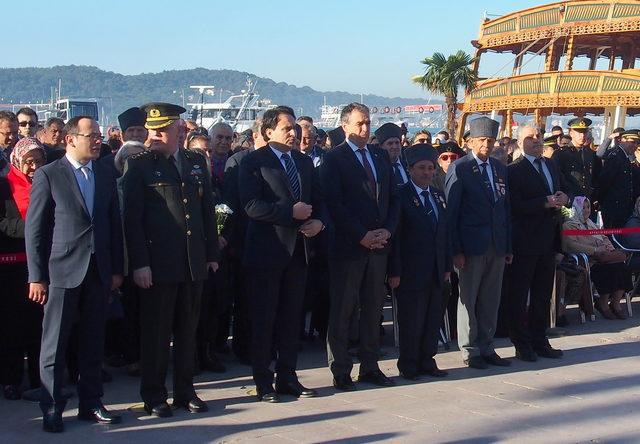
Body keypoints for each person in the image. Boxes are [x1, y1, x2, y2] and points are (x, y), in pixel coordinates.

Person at [25, 116, 124, 432]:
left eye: (98, 135)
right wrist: (36, 275)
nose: (97, 140)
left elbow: (113, 225)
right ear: (70, 139)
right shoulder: (49, 175)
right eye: (90, 136)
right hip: (62, 271)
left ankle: (91, 402)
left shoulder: (105, 174)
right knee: (55, 342)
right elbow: (36, 230)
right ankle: (52, 406)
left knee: (94, 341)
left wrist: (116, 269)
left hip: (98, 271)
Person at [123, 102, 219, 418]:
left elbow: (206, 212)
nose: (154, 136)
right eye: (152, 131)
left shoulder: (194, 161)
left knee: (188, 331)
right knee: (157, 333)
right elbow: (132, 220)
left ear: (179, 129)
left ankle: (185, 391)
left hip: (192, 262)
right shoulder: (139, 165)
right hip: (158, 265)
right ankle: (154, 395)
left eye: (162, 131)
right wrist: (139, 263)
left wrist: (210, 255)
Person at [239, 106, 327, 402]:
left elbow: (319, 200)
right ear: (268, 131)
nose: (294, 133)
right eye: (287, 128)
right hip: (267, 252)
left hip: (299, 253)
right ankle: (263, 381)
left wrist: (319, 221)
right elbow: (251, 206)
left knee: (292, 318)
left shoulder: (303, 163)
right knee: (265, 319)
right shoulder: (254, 162)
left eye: (295, 129)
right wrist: (289, 212)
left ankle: (288, 376)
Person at [321, 103, 399, 391]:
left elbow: (393, 198)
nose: (365, 129)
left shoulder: (380, 156)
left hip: (379, 245)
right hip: (348, 246)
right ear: (345, 127)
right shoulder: (334, 158)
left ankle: (370, 365)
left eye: (368, 123)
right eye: (359, 124)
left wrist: (387, 230)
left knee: (373, 308)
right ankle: (341, 368)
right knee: (344, 309)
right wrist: (361, 235)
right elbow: (334, 204)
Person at [445, 116, 512, 369]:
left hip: (496, 244)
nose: (486, 144)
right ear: (471, 141)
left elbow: (505, 210)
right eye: (482, 139)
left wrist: (508, 246)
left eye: (490, 139)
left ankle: (487, 345)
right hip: (471, 246)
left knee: (490, 300)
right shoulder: (460, 168)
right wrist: (456, 249)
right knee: (469, 299)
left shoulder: (499, 168)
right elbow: (452, 212)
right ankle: (470, 349)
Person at [388, 145, 450, 380]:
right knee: (411, 319)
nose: (426, 173)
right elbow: (396, 237)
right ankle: (409, 363)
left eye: (430, 168)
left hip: (435, 268)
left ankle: (427, 359)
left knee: (432, 317)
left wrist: (445, 266)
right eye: (421, 168)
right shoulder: (402, 195)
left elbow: (444, 232)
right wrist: (394, 271)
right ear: (410, 169)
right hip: (409, 269)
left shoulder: (437, 195)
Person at [507, 124, 568, 362]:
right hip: (525, 240)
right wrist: (544, 202)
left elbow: (563, 189)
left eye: (539, 136)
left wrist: (565, 197)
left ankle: (540, 339)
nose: (536, 140)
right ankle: (521, 343)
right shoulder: (515, 170)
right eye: (530, 137)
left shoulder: (550, 164)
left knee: (543, 294)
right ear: (520, 142)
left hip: (549, 239)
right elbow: (515, 205)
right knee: (520, 294)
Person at [0, 138, 47, 401]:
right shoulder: (4, 186)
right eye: (29, 161)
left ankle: (38, 379)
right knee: (11, 327)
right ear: (18, 160)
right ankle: (11, 379)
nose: (33, 167)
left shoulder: (48, 185)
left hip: (40, 265)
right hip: (11, 266)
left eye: (39, 161)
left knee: (38, 326)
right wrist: (31, 230)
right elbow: (3, 222)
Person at [562, 196, 632, 320]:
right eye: (583, 207)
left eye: (588, 207)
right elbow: (571, 245)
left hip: (603, 258)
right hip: (588, 261)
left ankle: (616, 303)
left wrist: (608, 248)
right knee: (608, 270)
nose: (586, 210)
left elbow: (604, 238)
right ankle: (602, 303)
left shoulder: (592, 224)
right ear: (575, 208)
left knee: (622, 267)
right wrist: (594, 250)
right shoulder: (569, 225)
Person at [551, 118, 601, 201]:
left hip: (587, 202)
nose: (582, 136)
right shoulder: (561, 154)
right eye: (579, 132)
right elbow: (557, 180)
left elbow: (595, 178)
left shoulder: (590, 154)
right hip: (570, 201)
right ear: (571, 133)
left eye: (585, 132)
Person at [597, 130, 638, 228]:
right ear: (623, 140)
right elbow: (604, 182)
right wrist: (602, 202)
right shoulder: (615, 156)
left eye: (638, 143)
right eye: (633, 142)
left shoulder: (626, 157)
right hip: (613, 209)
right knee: (612, 238)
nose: (636, 146)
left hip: (624, 209)